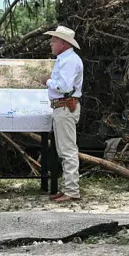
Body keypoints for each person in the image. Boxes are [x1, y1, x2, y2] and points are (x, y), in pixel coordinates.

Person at [44, 25, 84, 203]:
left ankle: (72, 190)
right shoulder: (66, 59)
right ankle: (68, 187)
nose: (51, 43)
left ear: (63, 42)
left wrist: (48, 82)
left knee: (67, 150)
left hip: (64, 106)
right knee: (65, 149)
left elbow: (65, 87)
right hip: (64, 106)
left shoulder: (69, 61)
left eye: (54, 39)